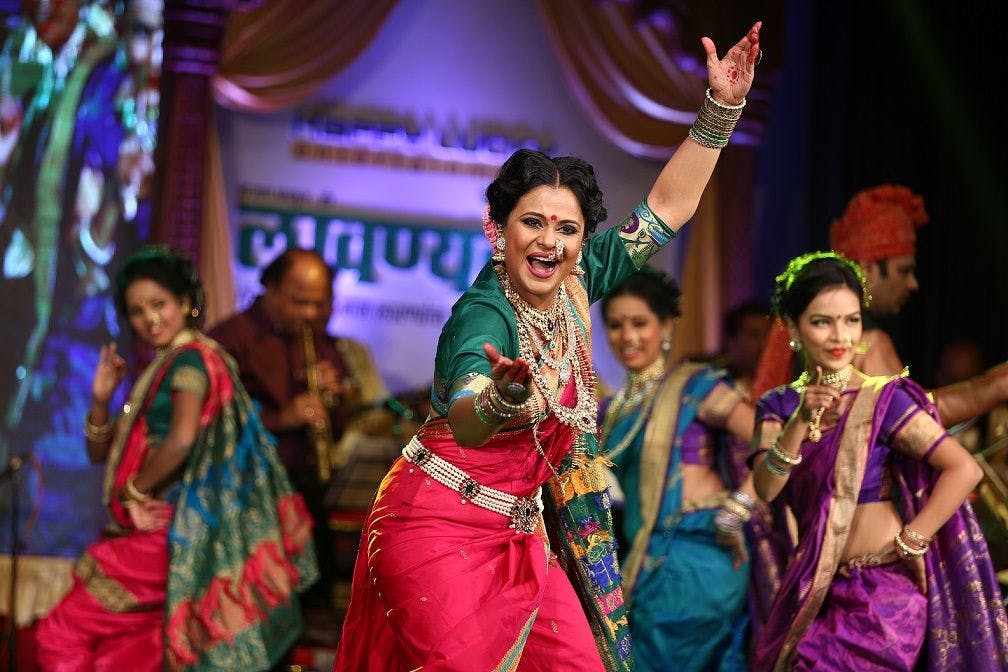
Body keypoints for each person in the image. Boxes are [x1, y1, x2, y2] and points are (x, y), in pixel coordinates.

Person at [333, 20, 763, 671]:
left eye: (567, 228)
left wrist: (720, 111)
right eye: (532, 222)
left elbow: (667, 210)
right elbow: (468, 413)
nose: (549, 242)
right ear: (496, 229)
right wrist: (502, 399)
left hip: (520, 536)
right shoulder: (484, 313)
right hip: (435, 528)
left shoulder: (578, 283)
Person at [35, 246, 318, 672]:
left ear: (186, 303)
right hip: (161, 532)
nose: (150, 318)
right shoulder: (163, 367)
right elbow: (99, 453)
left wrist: (134, 491)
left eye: (159, 304)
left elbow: (182, 440)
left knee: (59, 634)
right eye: (137, 311)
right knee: (129, 656)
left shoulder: (190, 361)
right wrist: (100, 400)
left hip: (161, 533)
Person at [750, 251, 1008, 671]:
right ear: (792, 328)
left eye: (851, 320)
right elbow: (766, 488)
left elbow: (965, 468)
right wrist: (800, 421)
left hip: (882, 594)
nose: (840, 336)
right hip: (814, 589)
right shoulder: (777, 406)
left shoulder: (885, 399)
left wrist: (913, 540)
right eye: (822, 322)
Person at [599, 268, 784, 671]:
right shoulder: (610, 411)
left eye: (639, 323)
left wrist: (741, 504)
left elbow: (773, 438)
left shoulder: (694, 386)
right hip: (645, 560)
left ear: (666, 326)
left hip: (701, 552)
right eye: (615, 325)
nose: (627, 336)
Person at [208, 247, 396, 620]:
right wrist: (282, 418)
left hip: (307, 494)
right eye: (299, 302)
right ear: (270, 287)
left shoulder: (323, 343)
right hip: (248, 498)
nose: (311, 314)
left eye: (319, 304)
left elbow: (337, 426)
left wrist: (336, 400)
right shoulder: (231, 340)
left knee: (314, 601)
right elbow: (212, 419)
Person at [753, 183, 1008, 429]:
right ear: (868, 268)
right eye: (904, 271)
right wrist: (995, 387)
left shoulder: (805, 332)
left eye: (852, 320)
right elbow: (914, 421)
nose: (913, 284)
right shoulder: (868, 342)